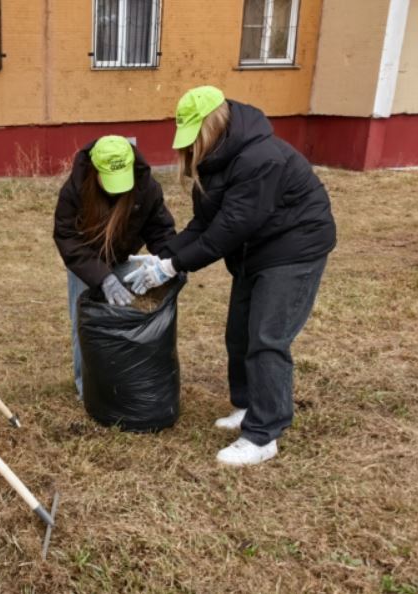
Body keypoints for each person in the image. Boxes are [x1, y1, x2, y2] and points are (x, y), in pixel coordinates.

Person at [124, 86, 337, 466]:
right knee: (238, 334)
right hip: (255, 250)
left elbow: (228, 230)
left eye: (194, 138)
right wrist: (160, 257)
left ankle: (264, 434)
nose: (188, 150)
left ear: (212, 127)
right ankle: (247, 406)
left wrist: (172, 267)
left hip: (294, 249)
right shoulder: (215, 161)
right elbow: (203, 225)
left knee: (267, 338)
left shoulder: (260, 159)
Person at [54, 135, 176, 399]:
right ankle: (87, 387)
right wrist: (102, 277)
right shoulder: (75, 190)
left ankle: (125, 380)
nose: (116, 190)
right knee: (84, 321)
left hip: (124, 259)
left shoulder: (146, 188)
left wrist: (170, 263)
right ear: (95, 172)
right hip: (86, 262)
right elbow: (67, 237)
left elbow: (160, 230)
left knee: (128, 315)